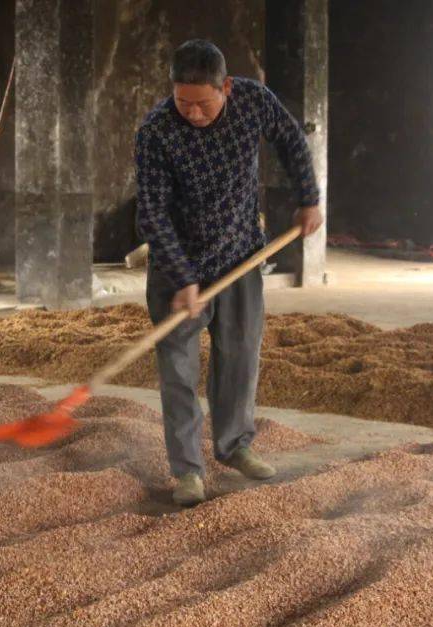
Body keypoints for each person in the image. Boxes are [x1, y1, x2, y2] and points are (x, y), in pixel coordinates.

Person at [135, 39, 323, 506]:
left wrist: (309, 198)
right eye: (183, 102)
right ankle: (187, 472)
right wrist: (182, 276)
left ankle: (235, 446)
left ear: (228, 88)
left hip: (240, 256)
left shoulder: (254, 101)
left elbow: (291, 138)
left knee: (240, 354)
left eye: (203, 103)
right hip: (176, 266)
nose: (193, 114)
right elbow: (152, 213)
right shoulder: (155, 131)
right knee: (178, 370)